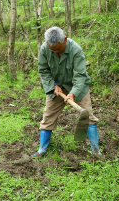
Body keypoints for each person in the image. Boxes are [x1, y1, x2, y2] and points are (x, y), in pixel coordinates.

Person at [34, 26, 102, 158]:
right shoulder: (44, 49)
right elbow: (43, 70)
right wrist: (53, 85)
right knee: (48, 117)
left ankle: (96, 151)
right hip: (56, 88)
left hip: (78, 86)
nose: (55, 51)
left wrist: (73, 93)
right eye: (52, 49)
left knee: (88, 116)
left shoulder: (75, 50)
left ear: (65, 39)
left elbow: (80, 75)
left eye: (59, 48)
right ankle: (41, 150)